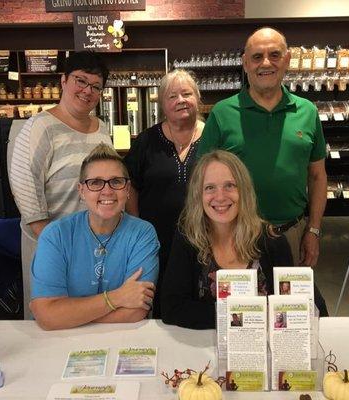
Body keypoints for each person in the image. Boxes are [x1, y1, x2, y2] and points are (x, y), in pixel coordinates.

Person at [197, 27, 327, 268]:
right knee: (240, 305)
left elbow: (318, 176)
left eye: (274, 55)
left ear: (287, 60)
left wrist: (314, 231)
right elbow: (200, 180)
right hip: (235, 235)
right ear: (245, 64)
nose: (265, 63)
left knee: (290, 304)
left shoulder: (307, 111)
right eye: (257, 57)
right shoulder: (223, 113)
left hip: (292, 233)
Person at [10, 51, 113, 318]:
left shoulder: (101, 128)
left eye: (96, 86)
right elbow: (26, 190)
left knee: (92, 319)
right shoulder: (40, 127)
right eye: (81, 81)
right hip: (52, 246)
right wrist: (56, 247)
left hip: (95, 245)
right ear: (63, 80)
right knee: (54, 320)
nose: (87, 91)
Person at [30, 143, 159, 330]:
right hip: (62, 343)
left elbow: (136, 311)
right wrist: (117, 297)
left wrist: (66, 315)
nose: (107, 191)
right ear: (81, 191)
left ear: (127, 189)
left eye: (116, 181)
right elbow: (46, 316)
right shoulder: (55, 235)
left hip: (122, 340)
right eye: (95, 183)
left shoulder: (143, 234)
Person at [161, 150, 293, 330]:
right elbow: (172, 308)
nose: (220, 196)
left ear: (244, 191)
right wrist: (244, 316)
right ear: (198, 195)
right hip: (204, 348)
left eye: (230, 185)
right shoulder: (188, 237)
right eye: (210, 188)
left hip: (262, 347)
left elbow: (298, 302)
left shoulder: (272, 240)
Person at [124, 69, 204, 318]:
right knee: (161, 302)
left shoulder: (214, 136)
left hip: (203, 238)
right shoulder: (147, 141)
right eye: (172, 96)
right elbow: (130, 185)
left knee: (200, 296)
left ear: (198, 98)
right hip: (158, 239)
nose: (180, 100)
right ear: (161, 104)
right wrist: (139, 226)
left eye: (187, 94)